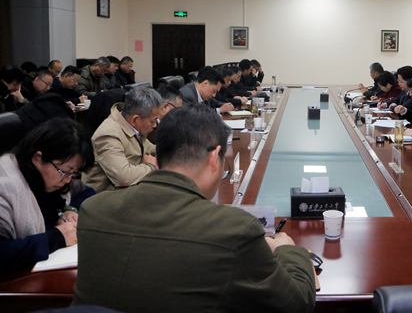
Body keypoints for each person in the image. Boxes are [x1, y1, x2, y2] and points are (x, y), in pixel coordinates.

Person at [73, 104, 316, 312]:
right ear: (214, 157)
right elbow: (296, 303)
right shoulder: (233, 229)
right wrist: (287, 250)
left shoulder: (94, 210)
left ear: (158, 156)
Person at [0, 118, 95, 273]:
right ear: (37, 158)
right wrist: (56, 238)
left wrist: (70, 209)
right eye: (65, 171)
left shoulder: (55, 180)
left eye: (74, 173)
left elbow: (87, 192)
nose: (68, 180)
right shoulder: (6, 186)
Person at [83, 88, 161, 193]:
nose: (155, 125)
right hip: (103, 196)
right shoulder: (108, 135)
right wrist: (151, 166)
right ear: (135, 119)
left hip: (127, 191)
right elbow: (124, 177)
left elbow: (150, 149)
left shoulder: (131, 126)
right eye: (152, 121)